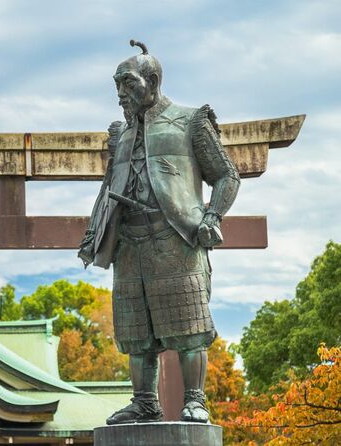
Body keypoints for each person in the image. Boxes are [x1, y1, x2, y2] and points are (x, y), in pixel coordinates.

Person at [78, 40, 240, 424]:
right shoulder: (120, 133)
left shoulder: (190, 120)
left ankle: (195, 399)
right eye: (116, 85)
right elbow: (108, 188)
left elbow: (226, 176)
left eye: (127, 83)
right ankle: (144, 401)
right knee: (137, 336)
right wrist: (94, 233)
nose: (120, 94)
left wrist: (211, 218)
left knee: (189, 328)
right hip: (129, 244)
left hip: (176, 240)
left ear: (151, 80)